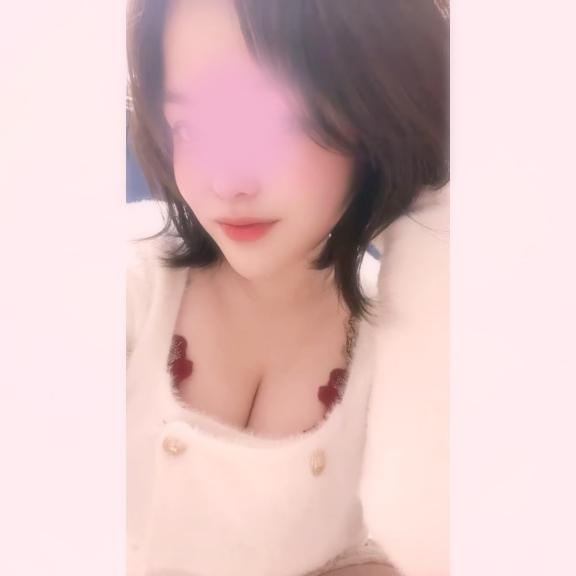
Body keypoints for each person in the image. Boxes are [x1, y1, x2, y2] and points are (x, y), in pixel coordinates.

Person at [126, 1, 449, 575]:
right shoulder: (125, 274)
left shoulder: (404, 338)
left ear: (374, 110)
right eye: (192, 128)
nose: (229, 182)